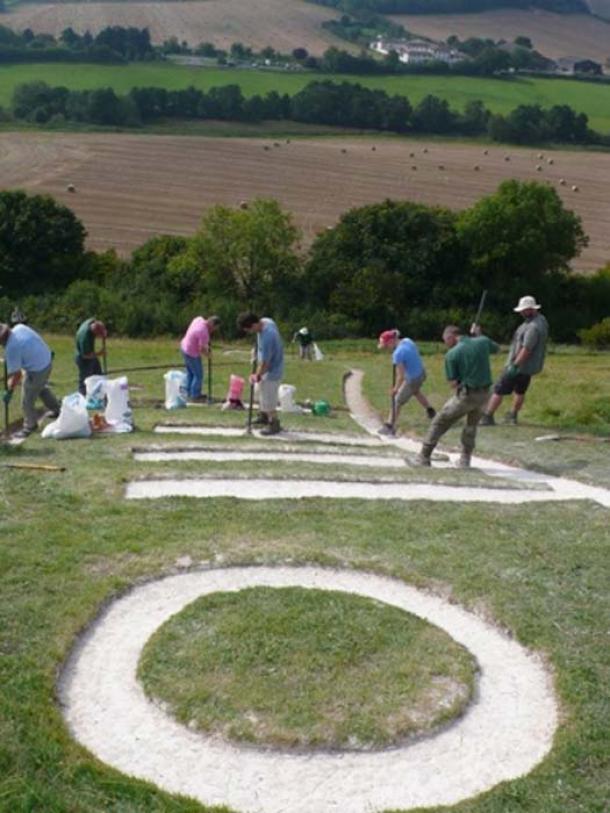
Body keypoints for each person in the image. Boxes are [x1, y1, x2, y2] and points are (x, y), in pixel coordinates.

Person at [412, 324, 499, 468]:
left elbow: (453, 383)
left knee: (439, 422)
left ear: (450, 337)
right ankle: (465, 460)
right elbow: (496, 348)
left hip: (467, 395)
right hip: (485, 395)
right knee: (471, 427)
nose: (445, 344)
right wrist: (479, 335)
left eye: (445, 340)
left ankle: (423, 457)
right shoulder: (482, 341)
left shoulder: (452, 354)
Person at [480, 295, 549, 426]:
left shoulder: (532, 327)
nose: (522, 313)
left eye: (524, 310)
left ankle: (488, 416)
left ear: (531, 309)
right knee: (520, 391)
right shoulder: (541, 321)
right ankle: (513, 416)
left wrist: (514, 365)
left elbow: (526, 348)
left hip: (519, 365)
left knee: (498, 389)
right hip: (528, 367)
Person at [0, 322, 60, 439]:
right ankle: (56, 409)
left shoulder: (12, 348)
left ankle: (30, 426)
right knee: (40, 388)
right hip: (46, 359)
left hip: (37, 369)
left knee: (27, 400)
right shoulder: (19, 327)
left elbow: (16, 375)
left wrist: (10, 391)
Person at [377, 329, 435, 435]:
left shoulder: (397, 354)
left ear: (390, 341)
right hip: (421, 372)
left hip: (413, 379)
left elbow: (401, 376)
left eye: (386, 346)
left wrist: (395, 389)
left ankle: (390, 425)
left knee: (397, 400)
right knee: (415, 391)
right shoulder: (408, 341)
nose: (386, 348)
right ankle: (430, 410)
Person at [237, 312, 284, 436]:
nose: (250, 332)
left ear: (254, 325)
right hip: (265, 368)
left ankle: (274, 423)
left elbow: (265, 364)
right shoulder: (266, 321)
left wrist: (256, 376)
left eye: (249, 329)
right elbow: (258, 343)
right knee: (259, 392)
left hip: (271, 372)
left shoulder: (268, 336)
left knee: (268, 400)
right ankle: (263, 416)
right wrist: (255, 351)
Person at [179, 315, 221, 403]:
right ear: (212, 324)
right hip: (191, 352)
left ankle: (188, 393)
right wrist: (209, 355)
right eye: (215, 328)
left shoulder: (199, 319)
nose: (214, 330)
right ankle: (195, 395)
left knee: (190, 373)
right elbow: (201, 348)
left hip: (184, 347)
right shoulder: (203, 332)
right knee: (198, 375)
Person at [75, 318, 108, 395]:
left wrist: (104, 333)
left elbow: (99, 324)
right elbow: (86, 355)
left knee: (98, 375)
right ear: (94, 331)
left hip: (91, 354)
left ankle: (100, 394)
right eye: (98, 335)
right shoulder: (85, 337)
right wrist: (100, 353)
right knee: (85, 380)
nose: (98, 337)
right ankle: (82, 397)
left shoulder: (92, 322)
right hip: (83, 359)